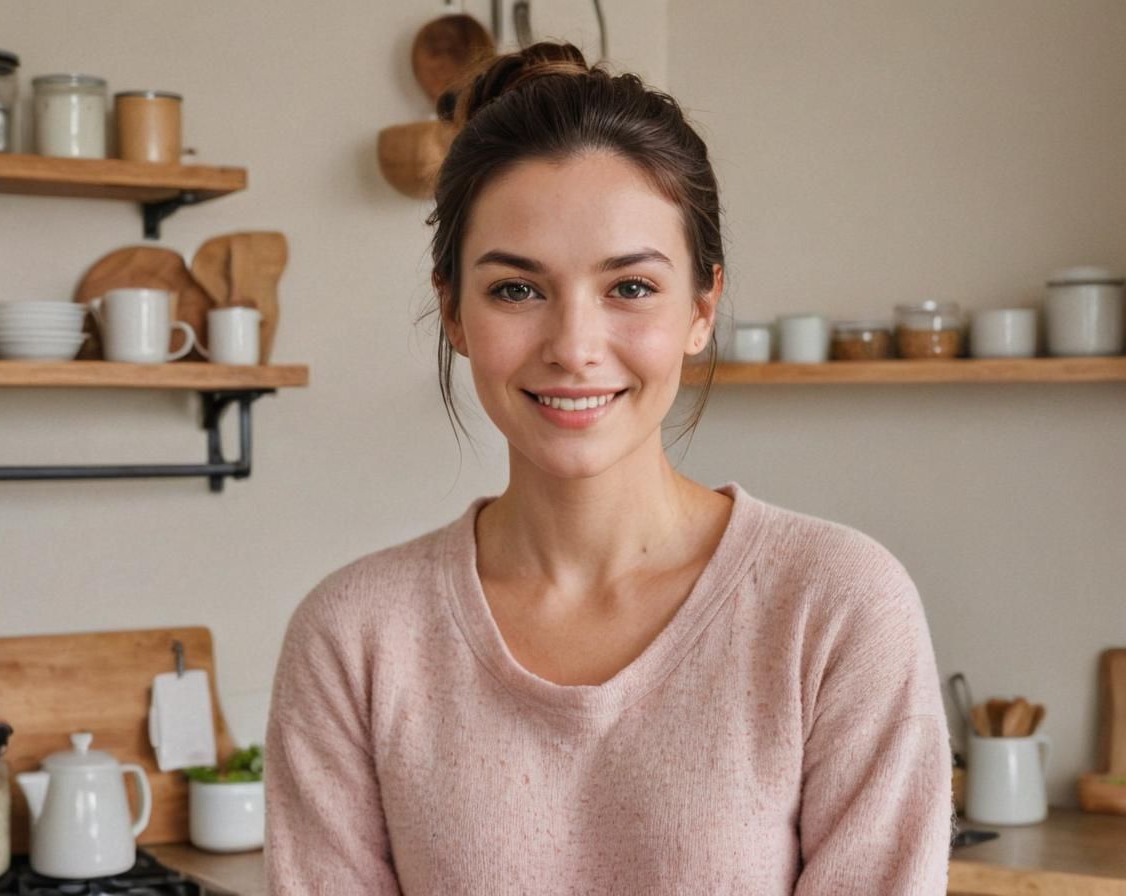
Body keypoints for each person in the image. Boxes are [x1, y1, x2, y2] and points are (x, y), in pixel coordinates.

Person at [266, 42, 952, 895]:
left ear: (702, 309)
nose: (574, 349)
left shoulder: (837, 608)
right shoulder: (354, 639)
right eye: (518, 290)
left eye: (630, 288)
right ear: (452, 312)